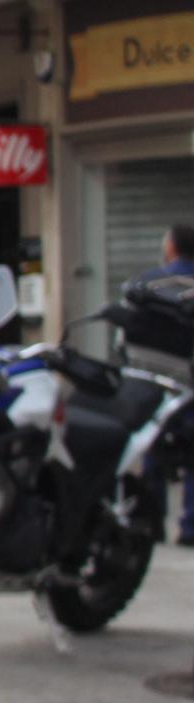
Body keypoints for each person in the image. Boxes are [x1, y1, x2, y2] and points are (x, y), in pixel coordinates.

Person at [139, 224, 194, 547]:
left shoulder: (149, 283)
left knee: (153, 449)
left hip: (159, 382)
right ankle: (190, 528)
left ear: (171, 247)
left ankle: (149, 522)